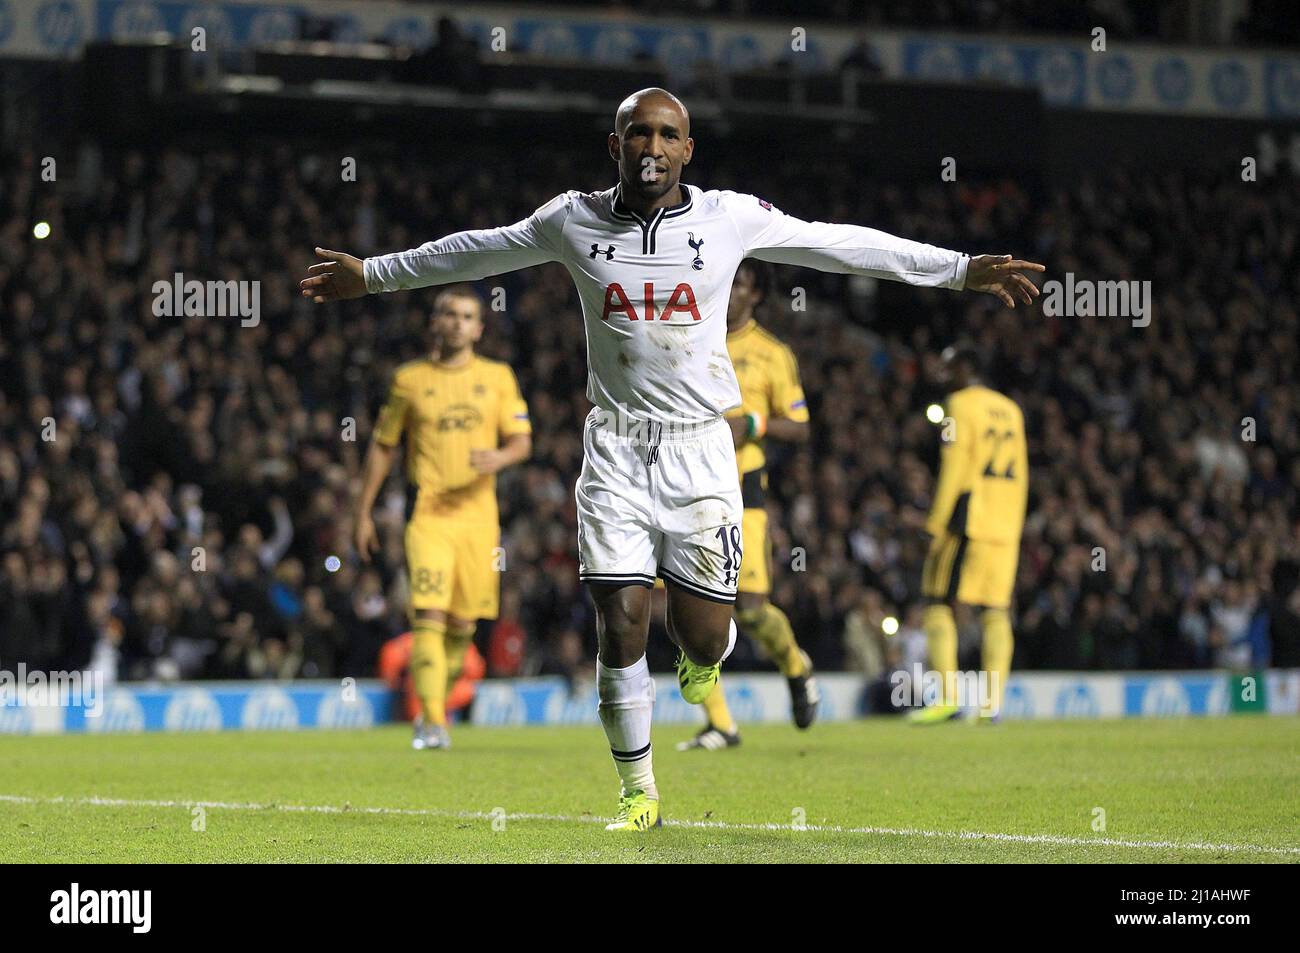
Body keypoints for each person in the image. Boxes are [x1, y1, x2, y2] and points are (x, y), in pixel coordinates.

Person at [301, 87, 1043, 830]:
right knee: (620, 618)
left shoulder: (729, 218)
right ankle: (638, 791)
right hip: (618, 446)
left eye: (666, 135)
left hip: (701, 450)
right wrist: (373, 274)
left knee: (707, 636)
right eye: (637, 133)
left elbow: (839, 243)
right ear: (615, 144)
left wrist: (958, 270)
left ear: (688, 149)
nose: (651, 147)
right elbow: (479, 246)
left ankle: (701, 664)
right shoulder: (573, 220)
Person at [353, 286, 532, 750]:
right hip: (428, 516)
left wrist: (498, 458)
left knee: (462, 626)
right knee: (428, 615)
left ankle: (437, 704)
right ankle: (431, 720)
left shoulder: (497, 377)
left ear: (479, 327)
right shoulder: (409, 380)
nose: (456, 322)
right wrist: (363, 511)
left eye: (466, 315)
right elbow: (383, 446)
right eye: (447, 314)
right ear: (434, 322)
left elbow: (522, 441)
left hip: (478, 521)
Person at [678, 259, 819, 751]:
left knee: (753, 609)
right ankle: (722, 723)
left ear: (756, 294)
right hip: (685, 485)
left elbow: (800, 426)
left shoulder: (771, 353)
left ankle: (796, 666)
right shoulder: (689, 335)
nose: (730, 290)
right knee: (679, 601)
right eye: (725, 280)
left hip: (742, 489)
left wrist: (753, 425)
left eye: (740, 283)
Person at [911, 344, 1029, 724]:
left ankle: (948, 698)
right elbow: (1024, 474)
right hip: (1006, 521)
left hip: (968, 518)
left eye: (950, 367)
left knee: (936, 602)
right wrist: (1015, 521)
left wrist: (936, 522)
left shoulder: (958, 406)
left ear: (967, 368)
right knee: (995, 611)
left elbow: (955, 465)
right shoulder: (1011, 410)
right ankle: (991, 705)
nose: (944, 375)